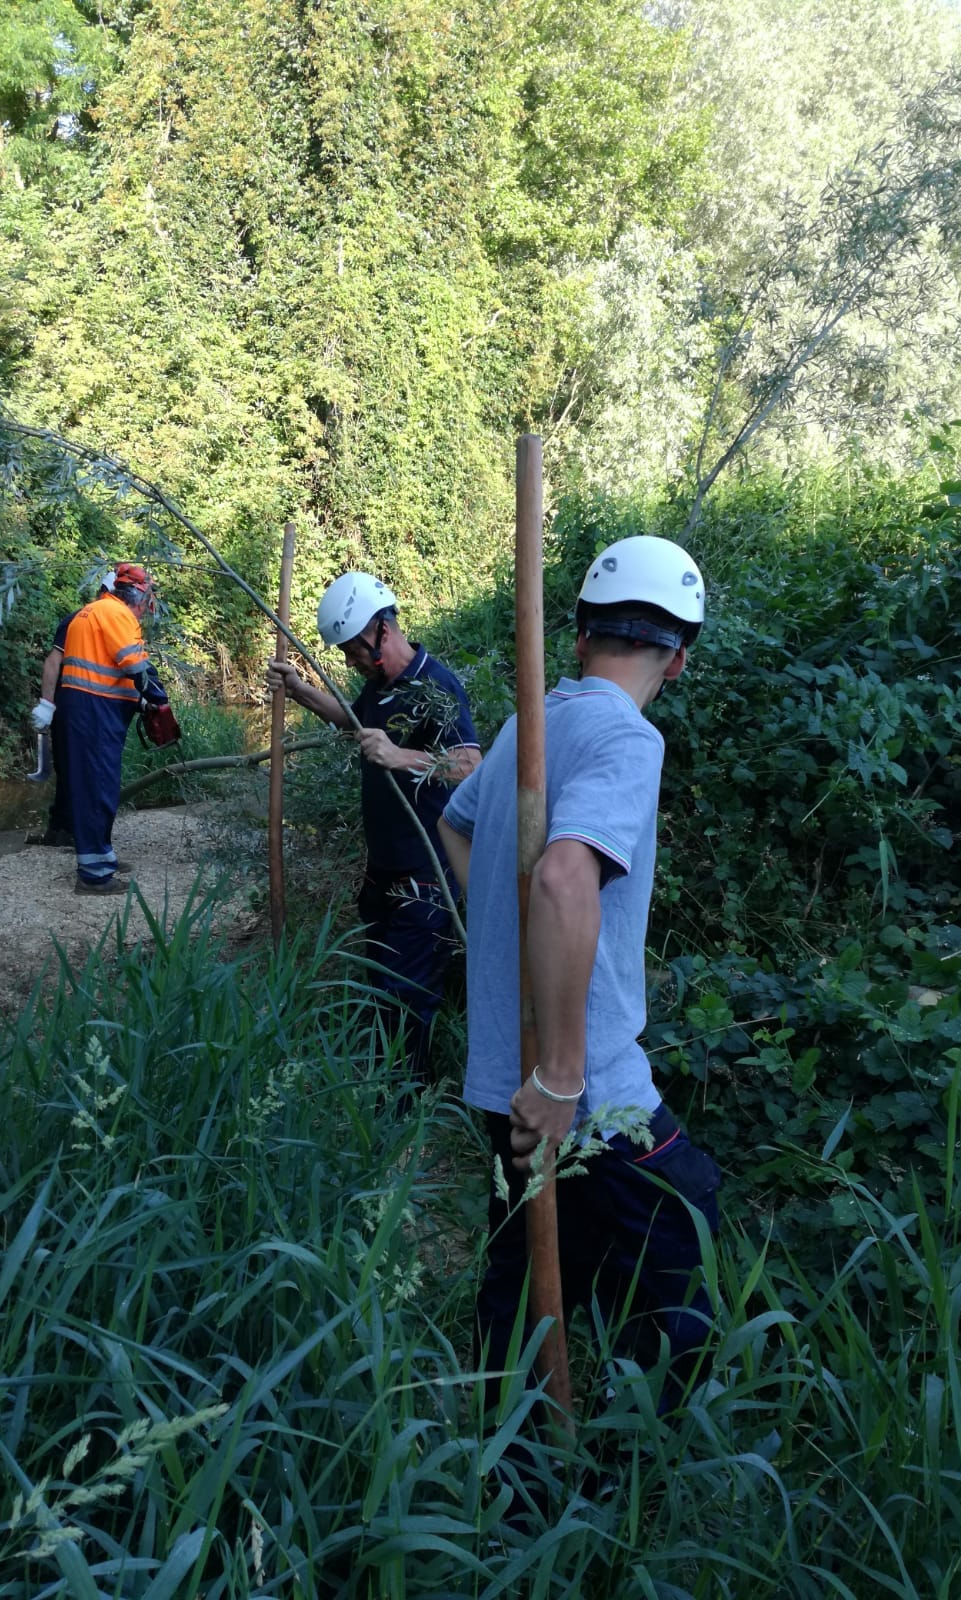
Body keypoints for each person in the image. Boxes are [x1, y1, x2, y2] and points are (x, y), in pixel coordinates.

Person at [437, 534, 721, 1421]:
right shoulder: (628, 738)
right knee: (684, 1233)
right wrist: (562, 1076)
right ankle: (648, 1465)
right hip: (586, 1089)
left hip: (502, 1077)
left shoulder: (530, 723)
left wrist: (501, 940)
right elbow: (564, 876)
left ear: (581, 638)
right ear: (679, 658)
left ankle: (511, 1464)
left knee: (527, 1274)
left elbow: (455, 824)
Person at [266, 572, 481, 1082]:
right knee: (382, 988)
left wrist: (398, 755)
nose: (350, 662)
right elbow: (352, 721)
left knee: (407, 996)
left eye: (353, 651)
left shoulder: (436, 685)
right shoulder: (380, 687)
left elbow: (470, 765)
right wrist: (298, 690)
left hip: (426, 874)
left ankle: (406, 1102)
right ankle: (384, 1091)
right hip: (383, 872)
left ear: (381, 629)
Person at [55, 563, 160, 896]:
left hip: (90, 707)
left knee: (96, 785)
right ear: (139, 597)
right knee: (97, 787)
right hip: (95, 710)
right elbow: (135, 666)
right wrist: (159, 699)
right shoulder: (115, 614)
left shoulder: (91, 612)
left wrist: (140, 703)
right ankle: (94, 875)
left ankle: (101, 857)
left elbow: (108, 671)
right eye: (148, 601)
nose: (147, 610)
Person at [28, 571, 117, 847]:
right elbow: (53, 662)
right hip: (72, 705)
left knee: (76, 768)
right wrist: (47, 704)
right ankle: (67, 831)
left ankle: (64, 829)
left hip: (90, 707)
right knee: (73, 768)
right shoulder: (79, 620)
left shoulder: (113, 622)